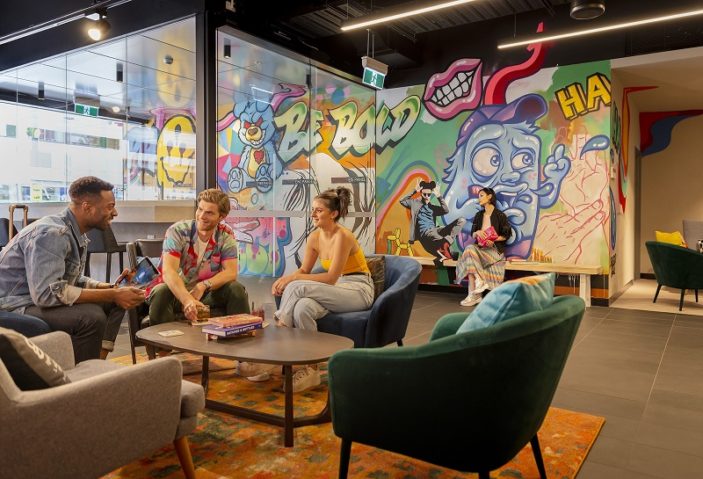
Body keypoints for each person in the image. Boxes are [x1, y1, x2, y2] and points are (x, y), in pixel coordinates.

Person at [0, 176, 145, 362]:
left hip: (33, 299)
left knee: (115, 301)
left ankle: (96, 365)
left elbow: (70, 279)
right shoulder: (52, 234)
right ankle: (81, 376)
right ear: (87, 207)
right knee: (91, 318)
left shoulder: (74, 232)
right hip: (13, 304)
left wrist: (110, 288)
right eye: (110, 207)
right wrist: (112, 294)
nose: (115, 212)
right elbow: (46, 294)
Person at [271, 187, 374, 392]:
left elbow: (330, 277)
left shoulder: (343, 236)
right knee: (303, 307)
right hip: (336, 288)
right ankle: (312, 369)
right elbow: (304, 270)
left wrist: (294, 280)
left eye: (318, 210)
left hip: (358, 289)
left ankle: (277, 341)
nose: (313, 214)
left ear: (333, 214)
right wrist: (286, 278)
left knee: (298, 287)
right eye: (313, 209)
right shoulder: (314, 237)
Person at [145, 188, 250, 352]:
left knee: (235, 289)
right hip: (175, 293)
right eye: (200, 209)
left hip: (205, 295)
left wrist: (203, 286)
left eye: (209, 213)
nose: (202, 216)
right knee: (161, 291)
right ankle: (163, 354)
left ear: (221, 217)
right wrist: (187, 300)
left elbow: (231, 272)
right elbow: (168, 272)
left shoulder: (225, 235)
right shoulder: (178, 231)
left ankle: (242, 352)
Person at [455, 187, 511, 307]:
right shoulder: (479, 215)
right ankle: (478, 283)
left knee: (470, 258)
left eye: (481, 195)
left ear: (489, 197)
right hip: (481, 249)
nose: (478, 198)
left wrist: (493, 239)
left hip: (494, 251)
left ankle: (474, 295)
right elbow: (473, 233)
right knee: (469, 249)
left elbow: (506, 235)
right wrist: (478, 232)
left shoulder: (500, 215)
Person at [399, 179, 466, 261]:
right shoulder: (414, 204)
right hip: (426, 232)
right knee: (440, 241)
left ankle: (447, 246)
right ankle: (449, 251)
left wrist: (438, 196)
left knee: (461, 220)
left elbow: (446, 210)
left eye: (429, 194)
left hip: (435, 230)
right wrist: (415, 190)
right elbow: (402, 201)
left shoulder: (432, 207)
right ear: (421, 193)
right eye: (424, 194)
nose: (427, 196)